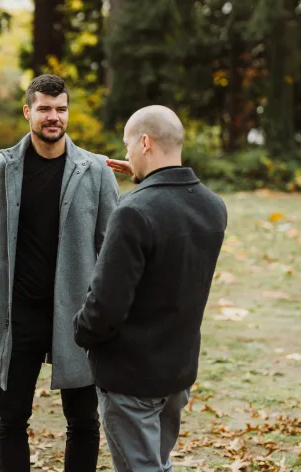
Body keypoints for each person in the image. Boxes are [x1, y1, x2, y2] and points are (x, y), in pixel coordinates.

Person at [0, 74, 119, 471]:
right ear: (27, 112)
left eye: (61, 109)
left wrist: (102, 299)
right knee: (11, 418)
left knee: (84, 422)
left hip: (78, 315)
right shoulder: (1, 166)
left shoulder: (96, 171)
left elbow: (112, 241)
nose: (54, 117)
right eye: (45, 109)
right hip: (17, 315)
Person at [73, 105, 228, 472]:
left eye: (128, 145)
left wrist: (80, 332)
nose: (125, 154)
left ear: (144, 142)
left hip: (131, 376)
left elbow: (106, 306)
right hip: (177, 372)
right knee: (157, 463)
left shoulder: (133, 212)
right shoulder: (213, 207)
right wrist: (148, 179)